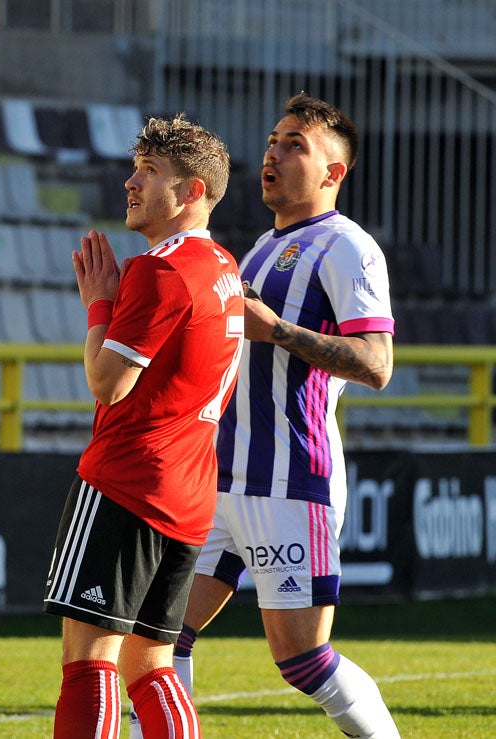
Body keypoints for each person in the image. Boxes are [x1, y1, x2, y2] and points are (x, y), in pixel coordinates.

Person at [153, 95, 399, 738]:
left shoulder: (349, 249)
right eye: (272, 140)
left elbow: (377, 364)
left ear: (332, 173)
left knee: (303, 661)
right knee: (159, 635)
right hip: (220, 479)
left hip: (290, 478)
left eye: (296, 145)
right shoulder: (262, 247)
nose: (274, 153)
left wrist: (281, 330)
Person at [42, 114, 245, 738]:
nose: (131, 183)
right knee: (152, 664)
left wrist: (99, 306)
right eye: (136, 168)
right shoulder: (223, 267)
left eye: (150, 172)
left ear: (192, 192)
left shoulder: (161, 270)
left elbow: (107, 383)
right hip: (188, 495)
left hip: (128, 481)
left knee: (88, 660)